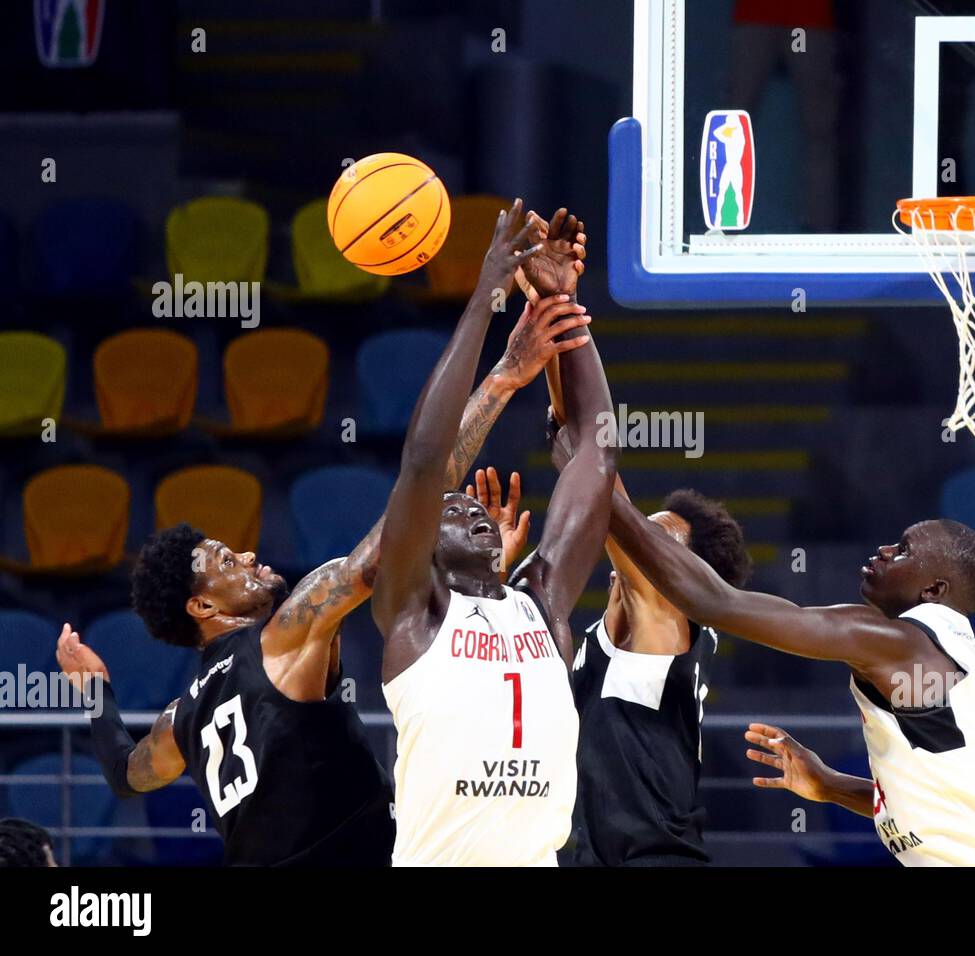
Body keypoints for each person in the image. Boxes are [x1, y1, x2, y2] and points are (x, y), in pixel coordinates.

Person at [53, 272, 581, 866]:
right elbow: (395, 531)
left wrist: (96, 689)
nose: (249, 557)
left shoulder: (184, 719)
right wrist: (504, 379)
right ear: (202, 608)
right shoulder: (282, 637)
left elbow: (126, 773)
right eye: (228, 562)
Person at [605, 509, 975, 867]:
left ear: (933, 590)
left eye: (904, 550)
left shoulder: (899, 643)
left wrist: (604, 492)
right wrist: (831, 786)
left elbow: (714, 602)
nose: (886, 551)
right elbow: (951, 805)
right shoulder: (946, 655)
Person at [373, 200, 617, 866]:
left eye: (471, 507)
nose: (471, 509)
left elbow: (597, 452)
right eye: (450, 511)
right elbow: (425, 462)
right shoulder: (412, 613)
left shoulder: (542, 603)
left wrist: (564, 307)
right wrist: (487, 295)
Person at [564, 473, 752, 866]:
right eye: (644, 531)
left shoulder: (669, 626)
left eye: (658, 542)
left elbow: (606, 498)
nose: (642, 541)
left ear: (683, 579)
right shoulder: (605, 632)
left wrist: (582, 431)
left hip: (656, 856)